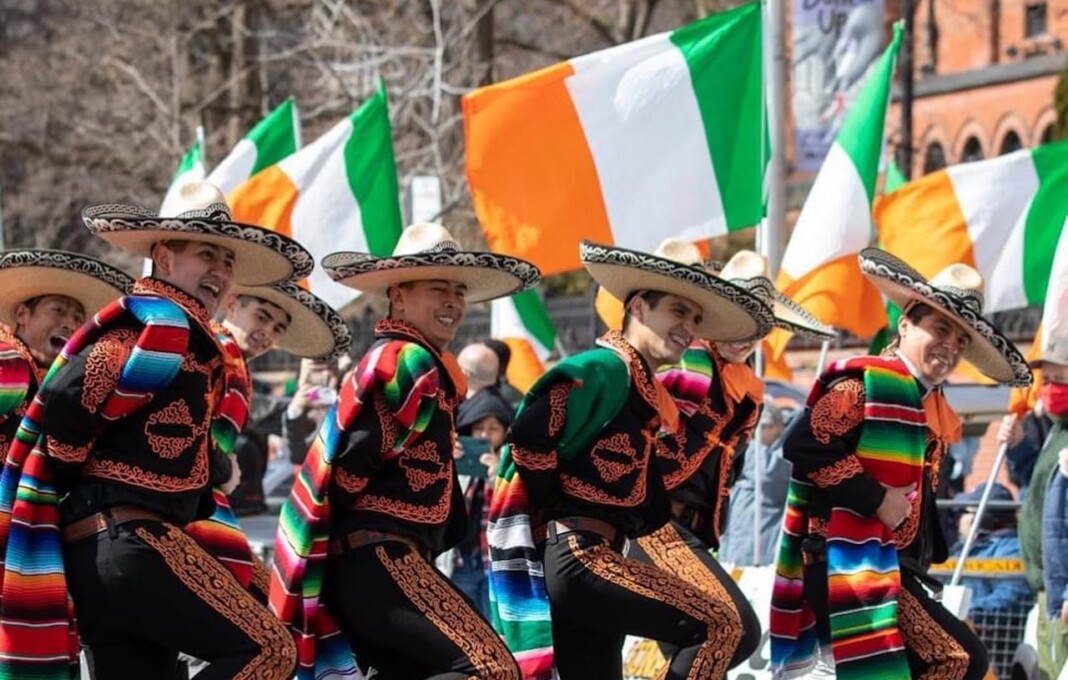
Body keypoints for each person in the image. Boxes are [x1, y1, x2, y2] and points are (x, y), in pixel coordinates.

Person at [0, 181, 314, 679]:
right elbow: (64, 400)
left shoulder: (178, 334)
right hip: (131, 541)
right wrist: (73, 465)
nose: (220, 270)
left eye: (228, 261)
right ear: (164, 258)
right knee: (269, 648)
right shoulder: (157, 325)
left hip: (108, 550)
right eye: (207, 253)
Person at [489, 239, 775, 679]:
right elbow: (528, 440)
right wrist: (554, 516)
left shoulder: (646, 390)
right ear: (639, 308)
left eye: (696, 318)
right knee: (723, 625)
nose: (689, 327)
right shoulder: (606, 369)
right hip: (579, 557)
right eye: (678, 312)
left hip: (593, 556)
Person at [271, 223, 539, 679]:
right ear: (398, 296)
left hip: (366, 564)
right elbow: (352, 464)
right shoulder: (410, 361)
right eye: (438, 288)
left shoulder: (405, 362)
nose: (454, 302)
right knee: (491, 667)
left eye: (458, 290)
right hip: (380, 558)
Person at [770, 249, 1033, 680]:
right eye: (941, 329)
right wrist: (876, 498)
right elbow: (804, 442)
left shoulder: (929, 403)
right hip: (848, 563)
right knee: (957, 658)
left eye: (961, 341)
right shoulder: (868, 382)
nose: (950, 347)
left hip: (887, 568)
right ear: (905, 323)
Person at [622, 248, 833, 671]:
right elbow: (640, 429)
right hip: (651, 528)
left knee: (700, 641)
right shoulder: (692, 364)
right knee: (731, 628)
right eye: (737, 320)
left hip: (689, 532)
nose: (747, 335)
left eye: (759, 326)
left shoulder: (746, 388)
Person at [185, 280, 351, 602]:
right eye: (261, 317)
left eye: (277, 327)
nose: (267, 332)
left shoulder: (235, 364)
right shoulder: (210, 349)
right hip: (183, 513)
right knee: (266, 622)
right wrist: (222, 468)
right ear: (232, 303)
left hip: (203, 508)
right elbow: (185, 428)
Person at [0, 249, 133, 463]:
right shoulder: (8, 362)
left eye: (78, 318)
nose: (70, 324)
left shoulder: (63, 383)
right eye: (58, 310)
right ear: (22, 314)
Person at [1015, 336, 1068, 679]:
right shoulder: (1056, 431)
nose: (1048, 389)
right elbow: (1035, 486)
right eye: (1044, 380)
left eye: (1058, 380)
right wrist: (1019, 447)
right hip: (1049, 587)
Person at [719, 398, 792, 567]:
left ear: (771, 427)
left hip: (758, 548)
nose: (749, 436)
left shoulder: (782, 452)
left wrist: (746, 447)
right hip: (737, 538)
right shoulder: (761, 451)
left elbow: (768, 477)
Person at [950, 483, 1033, 615]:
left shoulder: (1011, 550)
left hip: (982, 631)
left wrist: (966, 614)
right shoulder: (961, 548)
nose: (959, 518)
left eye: (964, 512)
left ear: (981, 517)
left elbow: (1011, 594)